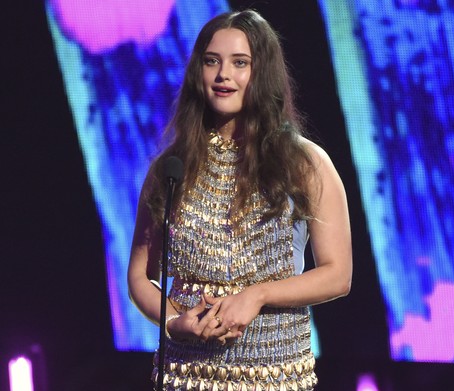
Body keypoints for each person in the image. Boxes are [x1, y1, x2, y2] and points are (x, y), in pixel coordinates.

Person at [127, 9, 352, 391]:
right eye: (211, 61)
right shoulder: (171, 167)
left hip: (275, 374)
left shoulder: (305, 163)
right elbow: (139, 274)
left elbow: (338, 273)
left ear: (262, 73)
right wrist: (174, 321)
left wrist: (258, 295)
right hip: (187, 375)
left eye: (240, 63)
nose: (222, 75)